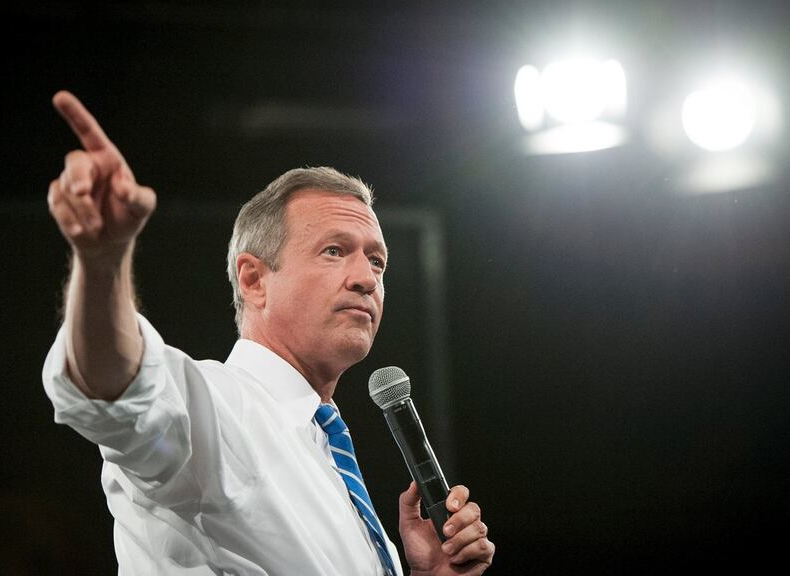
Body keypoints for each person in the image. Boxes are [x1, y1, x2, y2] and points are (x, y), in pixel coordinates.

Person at [42, 90, 495, 575]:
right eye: (334, 251)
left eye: (377, 260)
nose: (366, 277)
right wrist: (103, 260)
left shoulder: (327, 458)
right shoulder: (217, 412)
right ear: (254, 279)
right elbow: (117, 390)